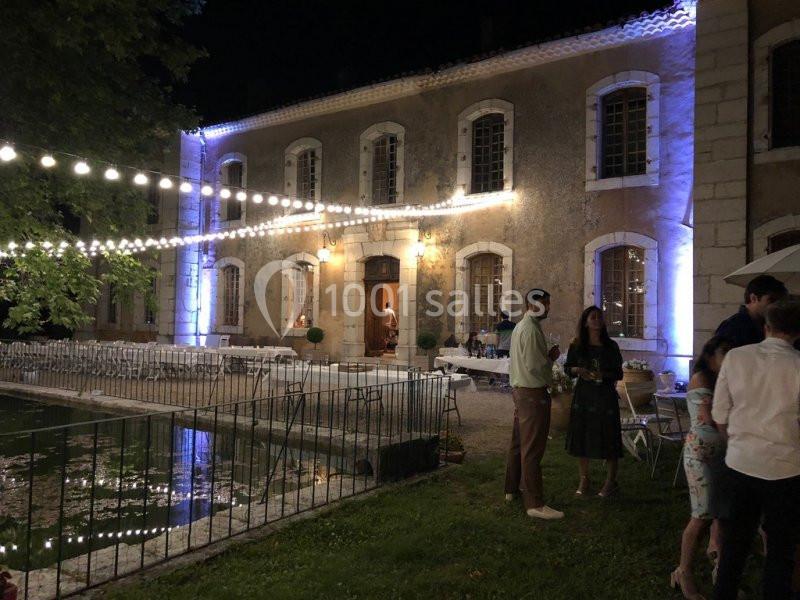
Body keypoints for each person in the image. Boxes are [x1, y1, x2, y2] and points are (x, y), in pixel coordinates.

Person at [711, 300, 800, 600]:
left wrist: (736, 443)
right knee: (781, 549)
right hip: (786, 468)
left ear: (766, 327)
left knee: (734, 545)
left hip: (741, 463)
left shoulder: (736, 358)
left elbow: (720, 414)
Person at [671, 336, 732, 600]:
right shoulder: (702, 378)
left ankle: (719, 566)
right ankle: (683, 572)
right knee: (702, 514)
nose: (729, 358)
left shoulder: (724, 379)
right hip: (701, 455)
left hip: (723, 456)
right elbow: (711, 418)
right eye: (724, 352)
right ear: (709, 355)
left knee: (722, 513)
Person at [504, 288, 563, 520]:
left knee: (519, 443)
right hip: (532, 393)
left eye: (548, 303)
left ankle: (511, 489)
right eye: (544, 303)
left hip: (521, 391)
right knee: (532, 448)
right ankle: (534, 503)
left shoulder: (522, 326)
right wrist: (551, 358)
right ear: (531, 304)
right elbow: (534, 365)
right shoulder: (530, 329)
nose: (548, 308)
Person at [564, 306, 624, 498]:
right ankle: (584, 478)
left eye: (600, 317)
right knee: (583, 435)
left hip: (605, 396)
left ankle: (610, 481)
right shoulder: (577, 345)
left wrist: (602, 375)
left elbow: (619, 373)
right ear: (585, 322)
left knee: (609, 436)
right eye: (593, 317)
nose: (597, 320)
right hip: (584, 395)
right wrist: (577, 370)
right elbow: (568, 368)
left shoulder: (611, 346)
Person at [714, 274, 787, 348]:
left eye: (781, 301)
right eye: (772, 300)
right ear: (753, 298)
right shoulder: (732, 327)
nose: (777, 305)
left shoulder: (773, 324)